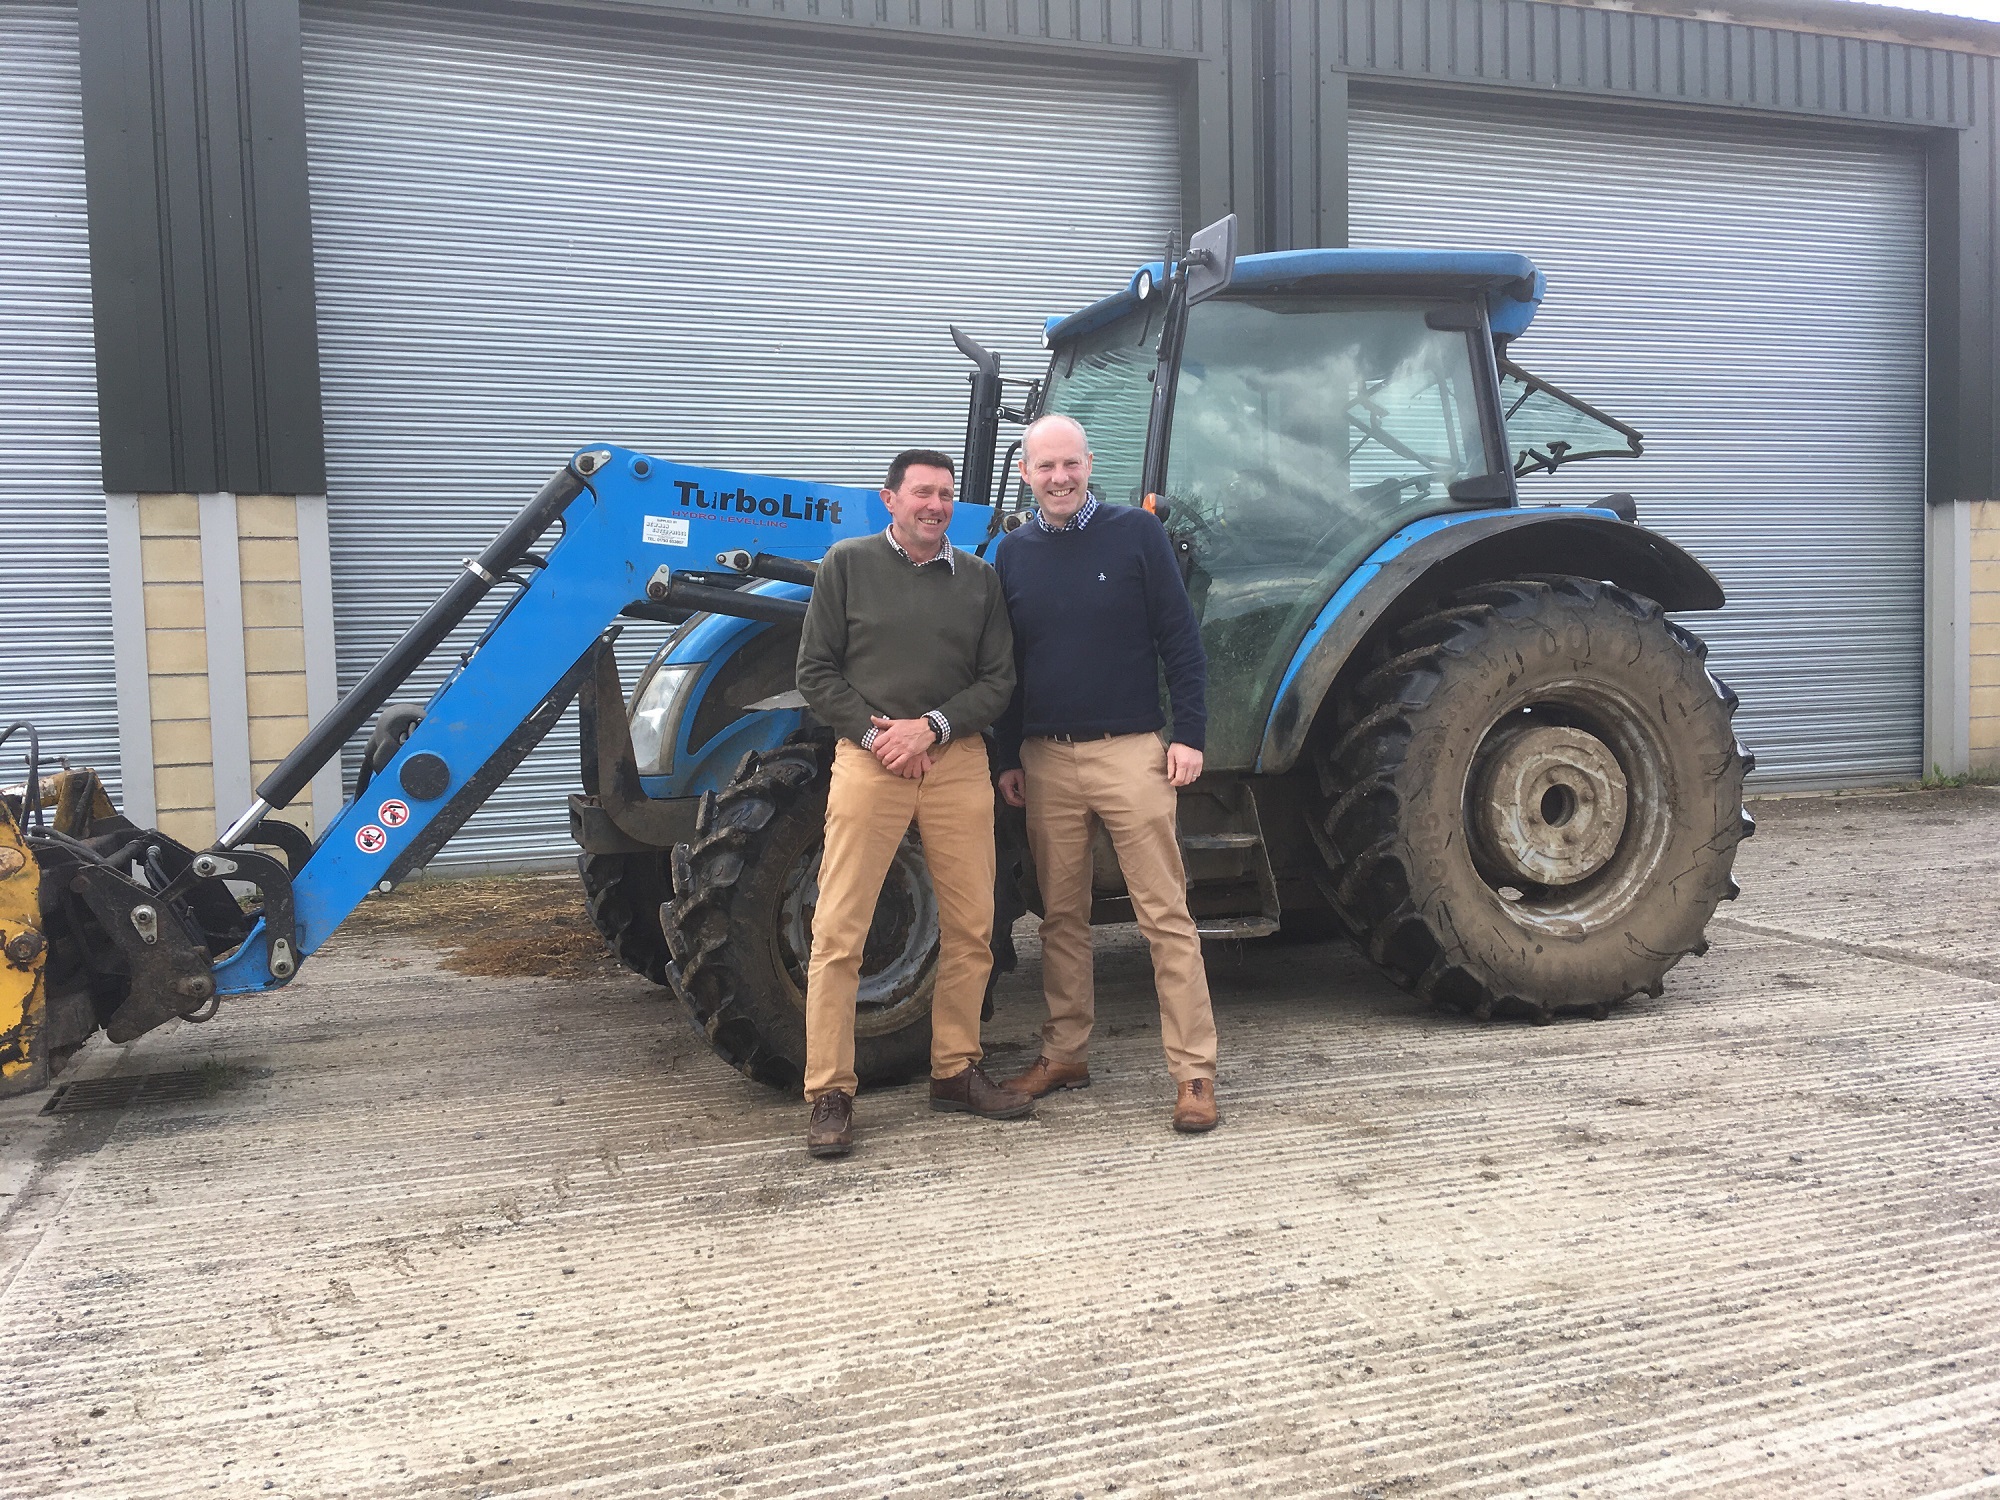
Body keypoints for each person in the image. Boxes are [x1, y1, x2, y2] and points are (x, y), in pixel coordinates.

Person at [793, 447, 1027, 1158]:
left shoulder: (980, 580)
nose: (935, 505)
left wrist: (933, 727)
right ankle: (830, 1091)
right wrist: (877, 734)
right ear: (888, 499)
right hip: (870, 760)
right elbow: (815, 671)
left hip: (956, 761)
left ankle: (955, 1068)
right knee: (839, 931)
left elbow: (997, 681)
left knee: (972, 924)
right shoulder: (846, 565)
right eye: (921, 493)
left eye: (945, 495)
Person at [993, 414, 1220, 1132]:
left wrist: (1189, 734)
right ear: (1025, 473)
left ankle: (1194, 1073)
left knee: (1164, 915)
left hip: (1132, 752)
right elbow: (1008, 667)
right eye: (1045, 467)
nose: (1059, 478)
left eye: (1071, 465)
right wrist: (1006, 757)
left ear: (1090, 465)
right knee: (1061, 917)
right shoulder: (1011, 553)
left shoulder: (1136, 534)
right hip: (1046, 759)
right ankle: (1066, 1053)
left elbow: (1179, 637)